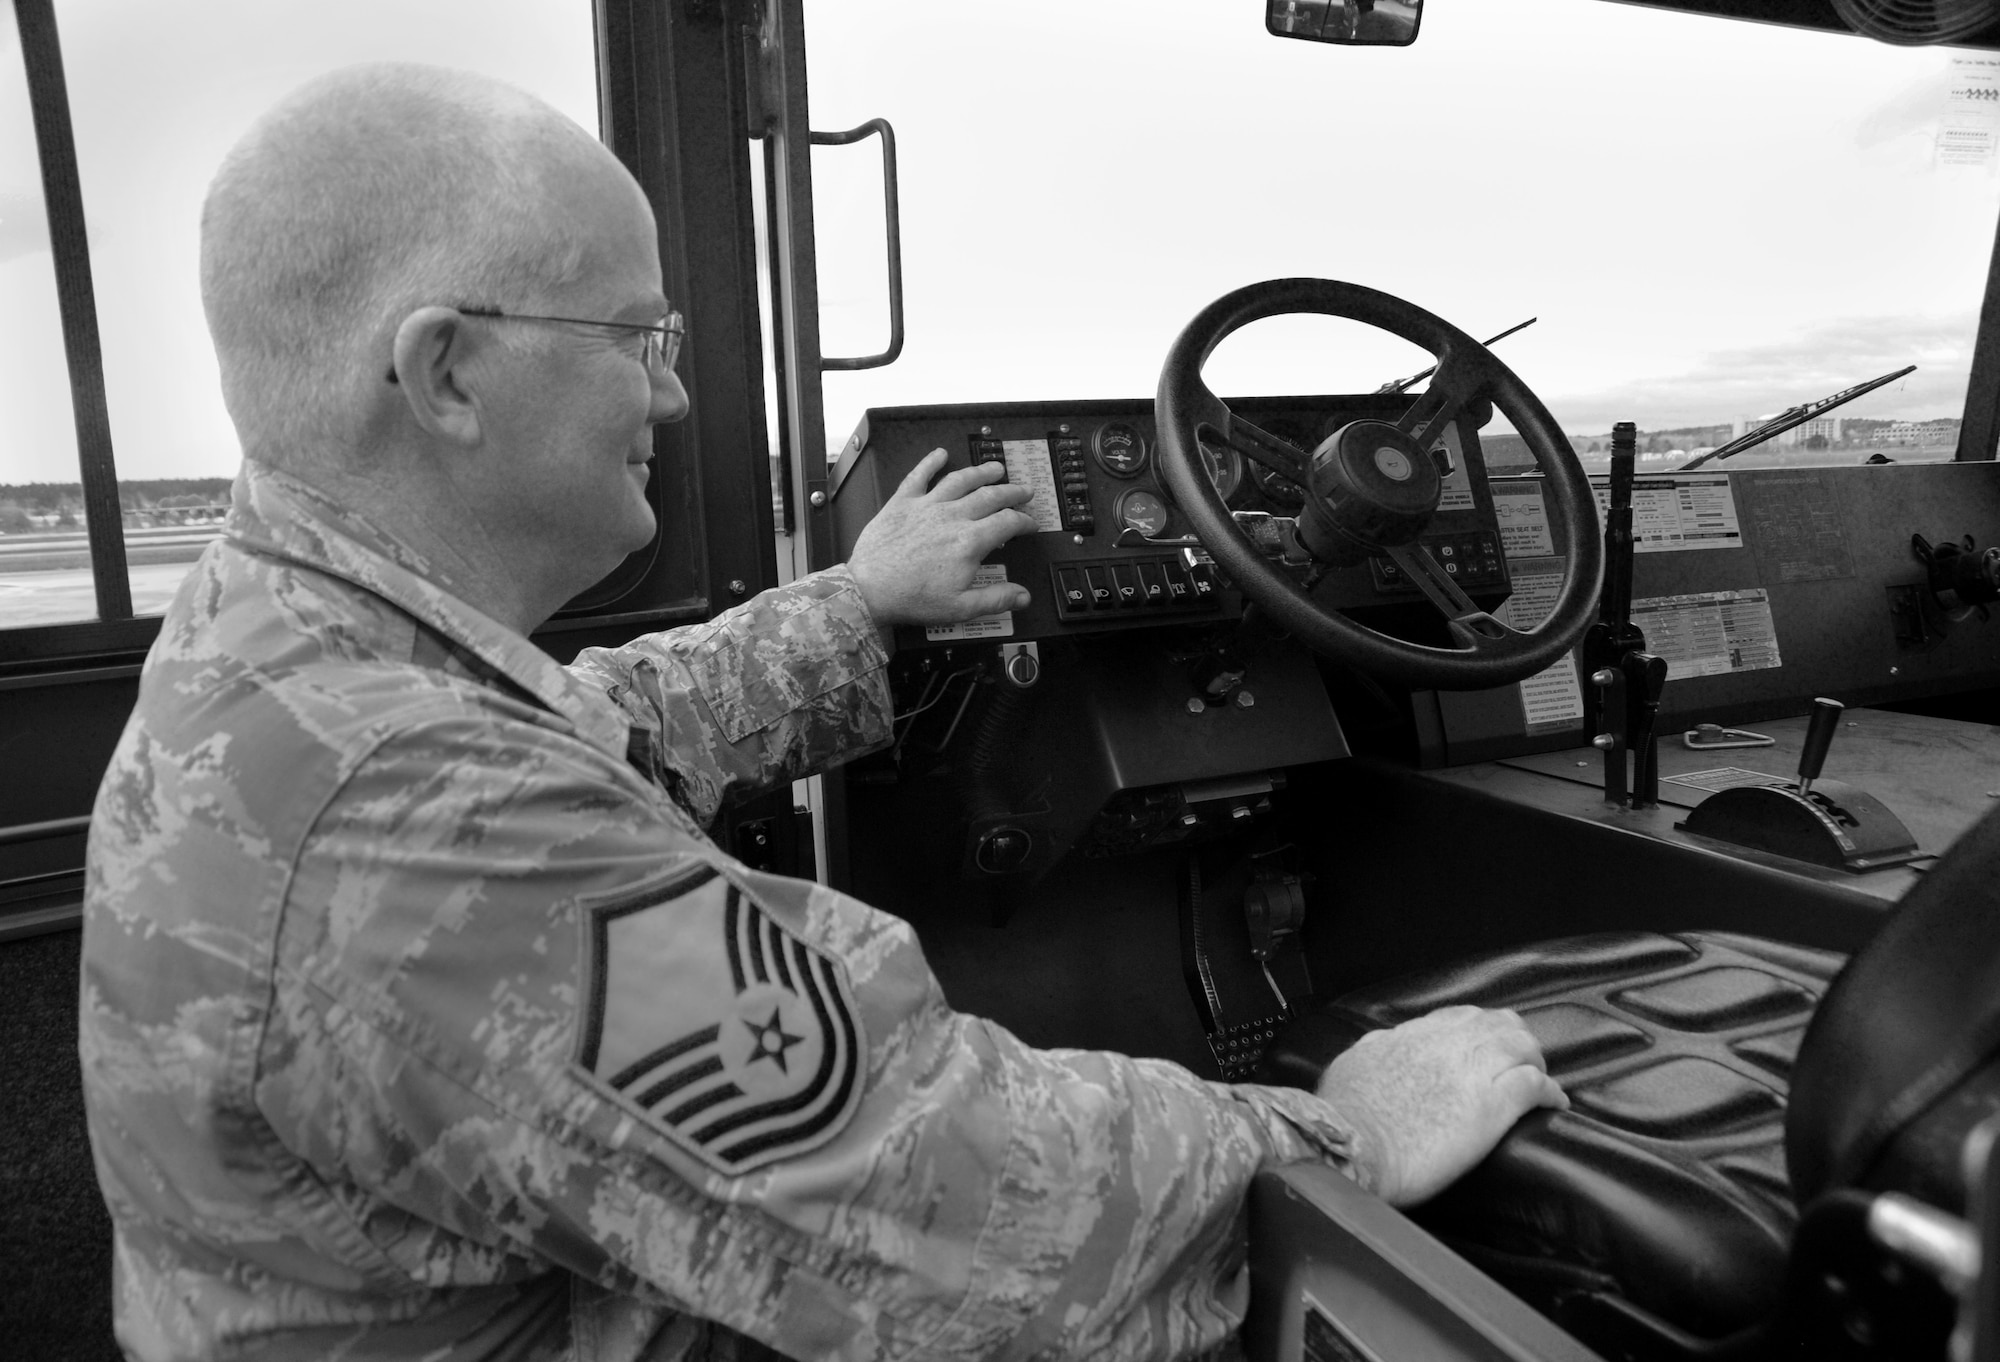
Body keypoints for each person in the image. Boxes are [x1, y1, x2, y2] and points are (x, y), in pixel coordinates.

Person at [79, 63, 1565, 1362]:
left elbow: (601, 719)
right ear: (445, 373)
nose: (667, 399)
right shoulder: (413, 810)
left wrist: (860, 602)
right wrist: (1343, 1137)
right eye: (636, 339)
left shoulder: (294, 644)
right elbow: (947, 1209)